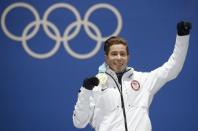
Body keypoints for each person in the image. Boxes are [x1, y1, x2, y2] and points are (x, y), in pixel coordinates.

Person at [72, 21, 192, 131]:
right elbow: (79, 123)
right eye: (114, 54)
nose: (119, 57)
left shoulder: (143, 80)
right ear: (106, 57)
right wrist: (85, 91)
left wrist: (182, 37)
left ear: (128, 57)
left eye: (122, 54)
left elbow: (172, 68)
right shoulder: (95, 85)